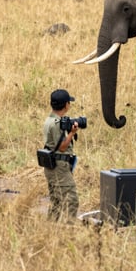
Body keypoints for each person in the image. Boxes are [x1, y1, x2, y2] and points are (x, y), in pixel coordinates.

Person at [42, 89, 80, 221]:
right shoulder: (57, 123)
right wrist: (72, 133)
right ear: (66, 105)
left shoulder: (49, 120)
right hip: (59, 167)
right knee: (71, 200)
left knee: (56, 202)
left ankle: (51, 227)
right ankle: (67, 228)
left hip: (52, 166)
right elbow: (62, 147)